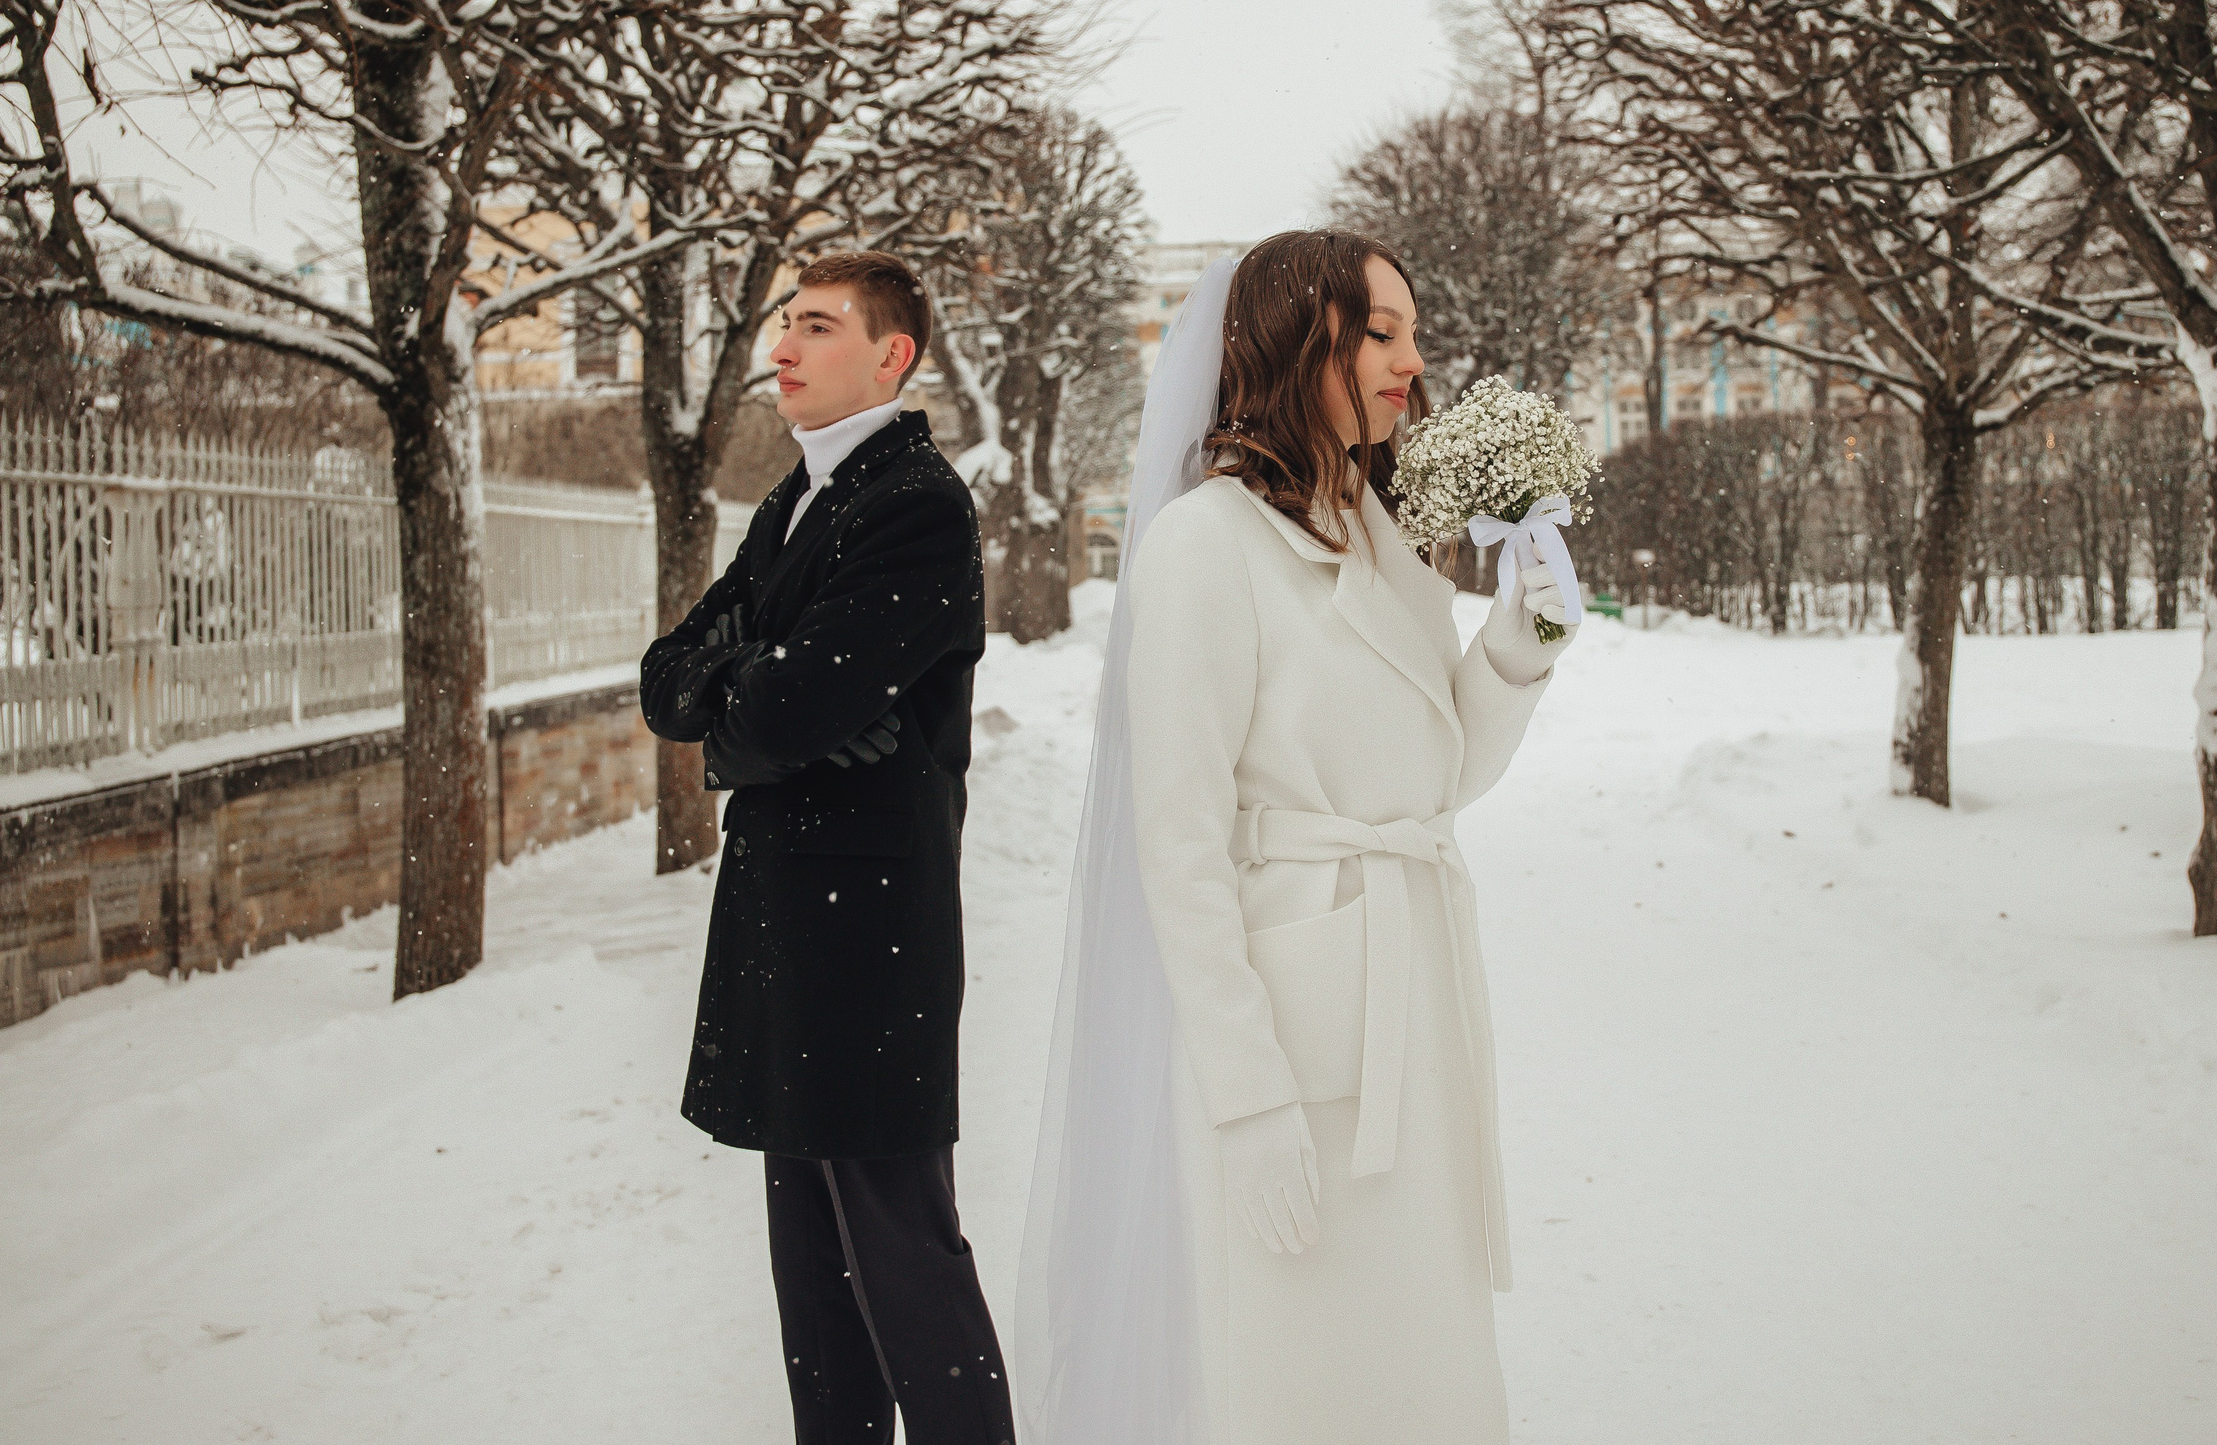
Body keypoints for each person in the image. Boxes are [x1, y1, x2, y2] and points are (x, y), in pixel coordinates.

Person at [1014, 230, 1575, 1444]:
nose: (1412, 363)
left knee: (1423, 1372)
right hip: (1294, 1037)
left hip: (1415, 1011)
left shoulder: (1379, 533)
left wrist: (1518, 644)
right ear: (1291, 341)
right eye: (1381, 333)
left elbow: (1433, 786)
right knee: (1302, 1381)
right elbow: (1178, 845)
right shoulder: (1205, 544)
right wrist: (1248, 1099)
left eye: (1414, 334)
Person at [640, 249, 1013, 1445]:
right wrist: (757, 687)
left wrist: (759, 693)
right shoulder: (794, 499)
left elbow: (788, 710)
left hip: (872, 938)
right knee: (814, 1281)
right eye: (784, 324)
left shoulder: (916, 505)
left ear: (891, 356)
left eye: (814, 325)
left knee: (906, 1264)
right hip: (788, 929)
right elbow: (666, 678)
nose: (782, 349)